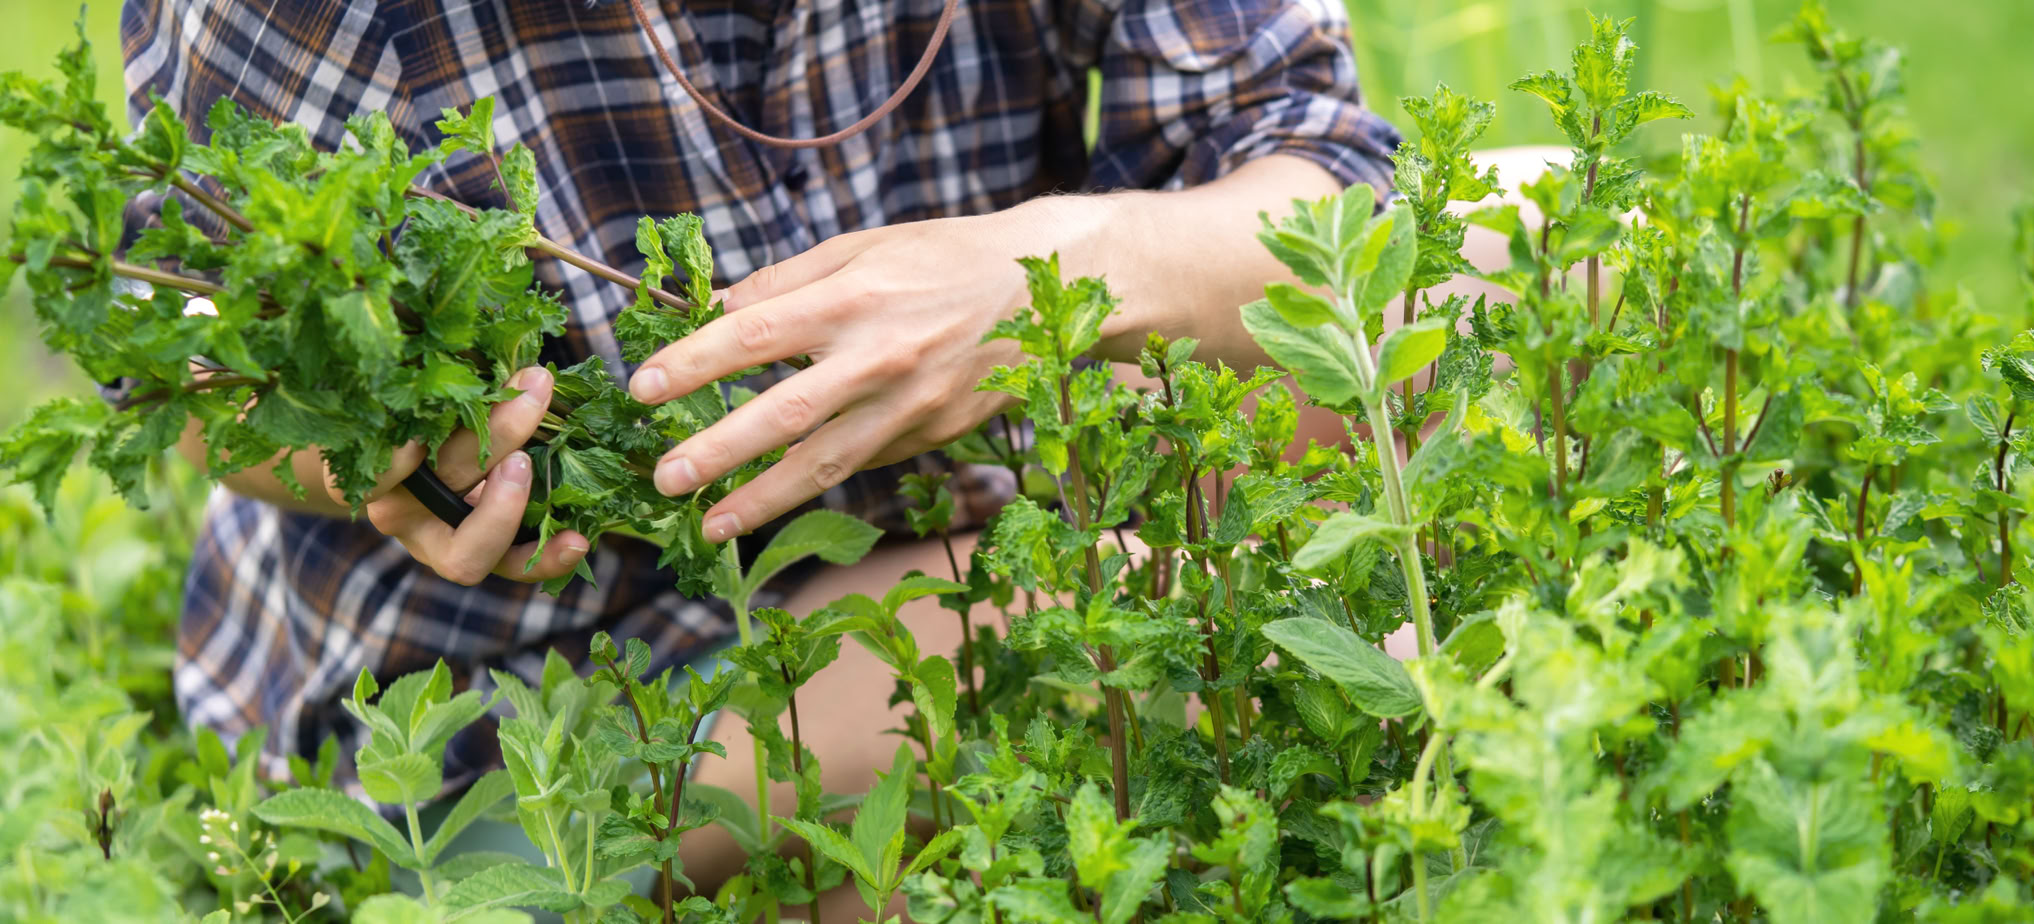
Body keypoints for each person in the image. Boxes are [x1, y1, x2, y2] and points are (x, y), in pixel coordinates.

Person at [113, 0, 1435, 914]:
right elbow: (185, 363)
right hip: (538, 687)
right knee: (1154, 641)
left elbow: (1321, 175)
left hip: (992, 493)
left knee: (1551, 257)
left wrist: (1034, 278)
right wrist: (370, 446)